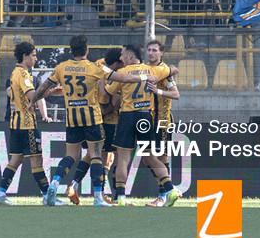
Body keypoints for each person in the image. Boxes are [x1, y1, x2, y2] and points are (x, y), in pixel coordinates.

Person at [31, 35, 157, 207]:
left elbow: (44, 87)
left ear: (71, 50)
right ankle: (98, 197)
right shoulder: (95, 68)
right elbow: (123, 78)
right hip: (92, 118)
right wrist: (144, 78)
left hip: (72, 118)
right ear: (87, 50)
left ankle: (54, 182)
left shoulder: (61, 67)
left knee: (70, 156)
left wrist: (32, 101)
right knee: (96, 155)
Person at [105, 45, 179, 207]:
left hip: (127, 116)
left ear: (130, 56)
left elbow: (108, 92)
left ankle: (121, 197)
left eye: (123, 55)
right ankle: (170, 189)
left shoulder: (122, 73)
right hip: (145, 116)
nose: (121, 58)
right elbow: (172, 70)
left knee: (123, 158)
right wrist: (170, 71)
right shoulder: (153, 70)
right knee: (150, 156)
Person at [0, 41, 61, 206]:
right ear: (25, 56)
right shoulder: (23, 75)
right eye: (33, 55)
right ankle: (47, 196)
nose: (36, 58)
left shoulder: (14, 73)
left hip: (15, 124)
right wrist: (50, 92)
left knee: (15, 160)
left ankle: (0, 193)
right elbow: (32, 96)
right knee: (37, 161)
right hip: (27, 124)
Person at [64, 47, 124, 205]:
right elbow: (105, 103)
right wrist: (118, 101)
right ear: (118, 61)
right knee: (104, 157)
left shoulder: (98, 64)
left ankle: (74, 185)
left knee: (94, 155)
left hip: (89, 117)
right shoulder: (113, 74)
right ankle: (103, 194)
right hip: (106, 120)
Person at [145, 40, 181, 207]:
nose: (151, 53)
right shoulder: (146, 70)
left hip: (163, 120)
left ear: (161, 53)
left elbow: (176, 94)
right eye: (149, 50)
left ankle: (163, 196)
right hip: (148, 121)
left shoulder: (165, 72)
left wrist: (158, 91)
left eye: (154, 50)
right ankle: (168, 190)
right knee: (148, 159)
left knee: (160, 157)